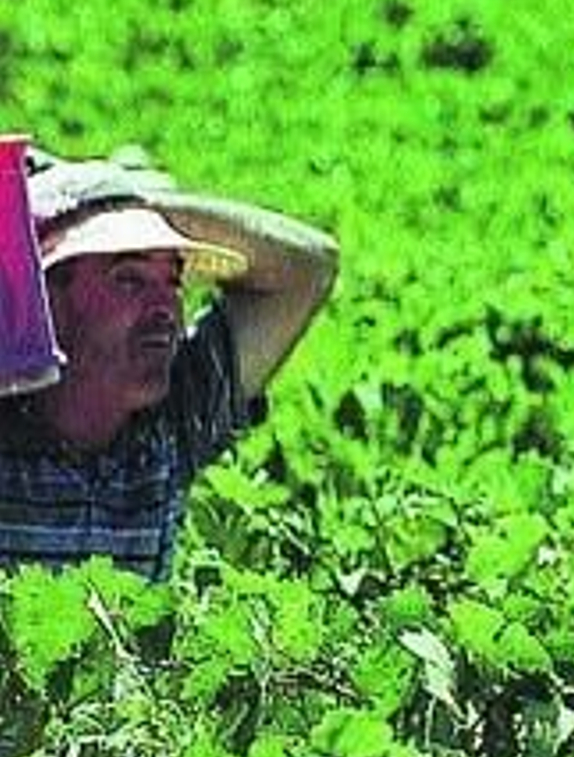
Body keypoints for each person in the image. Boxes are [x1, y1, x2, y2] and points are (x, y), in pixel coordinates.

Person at [0, 150, 339, 578]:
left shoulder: (173, 429)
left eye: (173, 281)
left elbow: (312, 267)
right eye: (130, 279)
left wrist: (130, 202)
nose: (166, 308)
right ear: (48, 300)